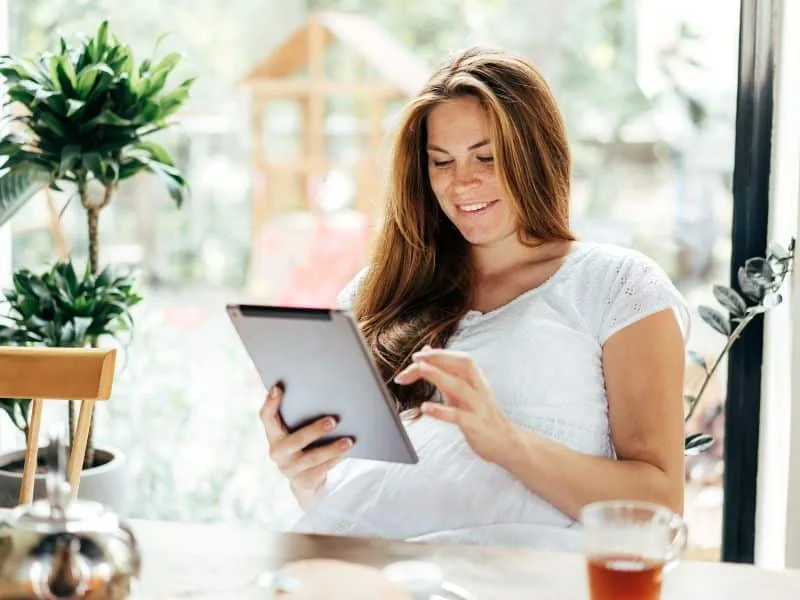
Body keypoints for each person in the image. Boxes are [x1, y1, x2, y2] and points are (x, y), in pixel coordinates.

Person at [259, 46, 690, 551]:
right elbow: (354, 497)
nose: (462, 182)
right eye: (441, 161)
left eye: (486, 157)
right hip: (366, 567)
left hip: (514, 576)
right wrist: (304, 471)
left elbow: (659, 504)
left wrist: (505, 443)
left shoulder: (617, 285)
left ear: (536, 154)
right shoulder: (377, 292)